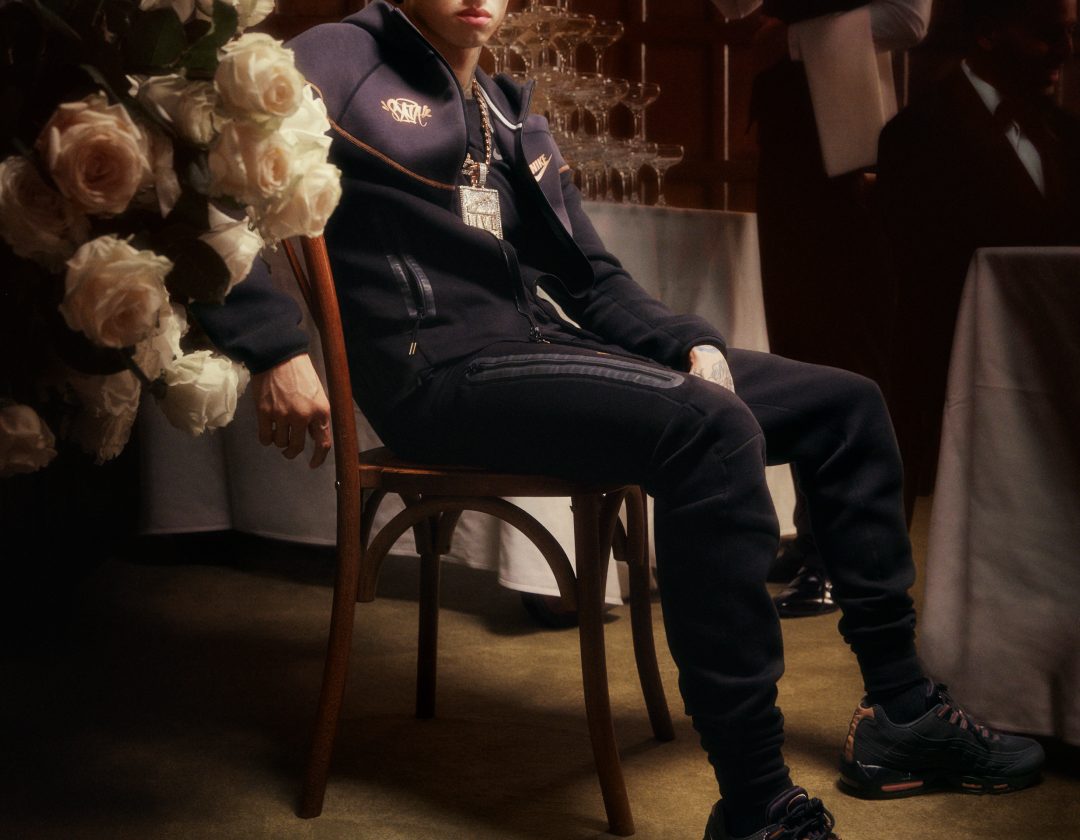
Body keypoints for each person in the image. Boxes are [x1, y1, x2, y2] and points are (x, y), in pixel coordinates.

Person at [192, 2, 1046, 837]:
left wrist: (688, 342)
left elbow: (592, 278)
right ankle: (755, 803)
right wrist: (273, 347)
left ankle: (902, 712)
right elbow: (203, 184)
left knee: (845, 406)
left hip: (537, 350)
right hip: (440, 377)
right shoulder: (340, 58)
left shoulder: (505, 107)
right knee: (710, 432)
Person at [711, 0, 931, 617]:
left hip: (854, 142)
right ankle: (815, 535)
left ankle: (849, 553)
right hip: (788, 130)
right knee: (800, 345)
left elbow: (909, 19)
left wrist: (791, 33)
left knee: (848, 349)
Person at [877, 0, 1080, 514]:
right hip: (963, 388)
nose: (1066, 50)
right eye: (1048, 33)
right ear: (989, 33)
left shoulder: (1067, 136)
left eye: (1071, 33)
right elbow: (918, 297)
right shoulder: (918, 134)